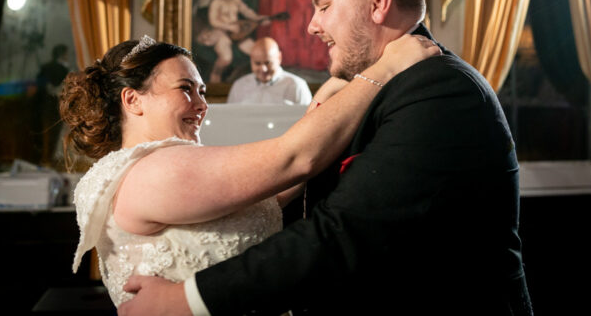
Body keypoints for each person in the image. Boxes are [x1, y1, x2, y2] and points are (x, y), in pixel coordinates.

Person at [117, 0, 533, 316]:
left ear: (378, 2)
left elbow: (342, 235)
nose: (312, 26)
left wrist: (186, 300)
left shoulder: (440, 90)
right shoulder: (380, 87)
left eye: (324, 6)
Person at [59, 31, 438, 307]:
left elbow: (273, 188)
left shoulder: (143, 169)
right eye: (185, 89)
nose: (201, 104)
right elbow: (293, 159)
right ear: (133, 100)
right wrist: (388, 67)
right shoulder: (152, 171)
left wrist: (327, 97)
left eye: (203, 91)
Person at [195, 0, 269, 83]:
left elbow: (247, 12)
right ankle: (215, 74)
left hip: (237, 33)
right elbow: (213, 21)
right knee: (226, 58)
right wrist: (229, 27)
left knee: (256, 52)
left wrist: (258, 19)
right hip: (221, 33)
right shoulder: (216, 2)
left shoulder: (236, 1)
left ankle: (255, 79)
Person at [227, 37, 312, 105]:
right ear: (251, 60)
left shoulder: (297, 85)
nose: (263, 69)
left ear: (279, 58)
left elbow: (310, 122)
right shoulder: (239, 86)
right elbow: (229, 120)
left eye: (268, 63)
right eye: (257, 63)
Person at [34, 43, 70, 164]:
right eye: (66, 54)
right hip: (54, 106)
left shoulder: (45, 67)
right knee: (53, 135)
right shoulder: (63, 69)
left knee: (45, 134)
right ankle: (48, 160)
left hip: (43, 106)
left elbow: (39, 85)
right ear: (62, 54)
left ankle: (44, 159)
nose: (67, 56)